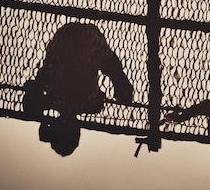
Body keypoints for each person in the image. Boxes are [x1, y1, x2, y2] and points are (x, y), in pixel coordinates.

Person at [24, 22, 133, 156]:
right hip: (81, 45)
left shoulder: (53, 101)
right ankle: (118, 81)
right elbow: (34, 89)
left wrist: (41, 115)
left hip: (71, 44)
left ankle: (118, 81)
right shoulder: (88, 105)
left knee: (50, 73)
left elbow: (33, 91)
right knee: (112, 73)